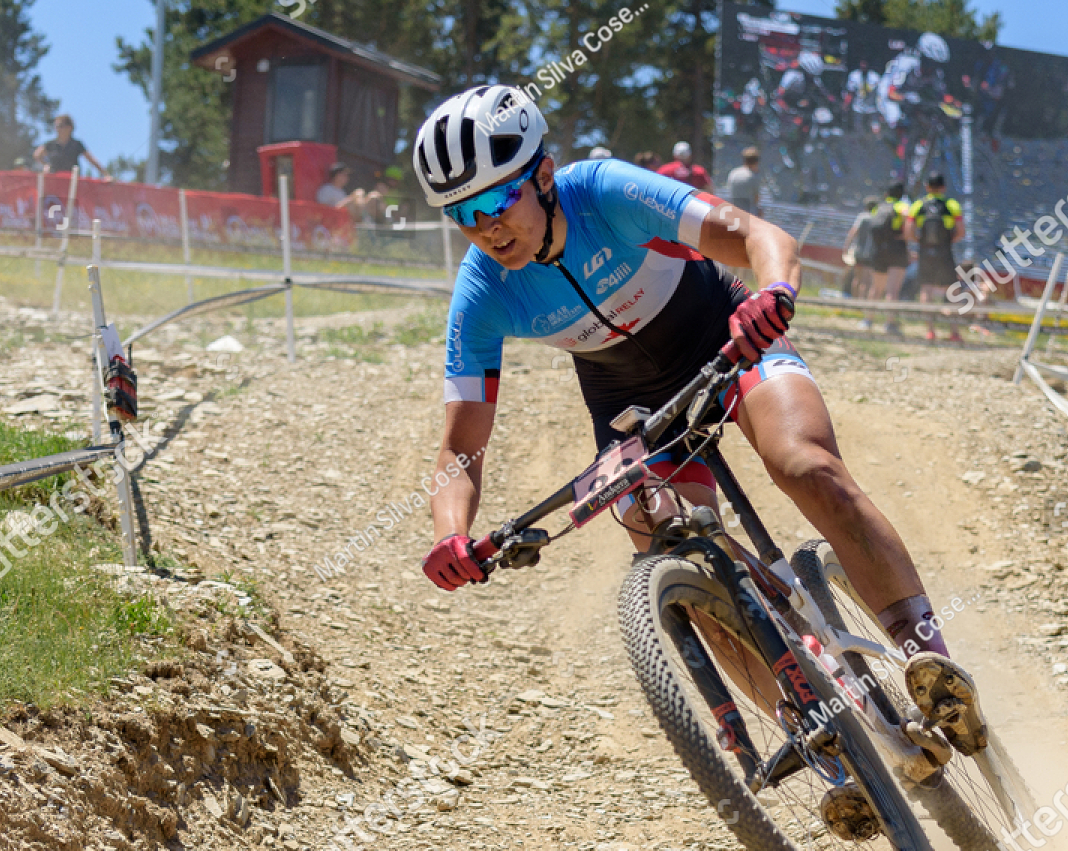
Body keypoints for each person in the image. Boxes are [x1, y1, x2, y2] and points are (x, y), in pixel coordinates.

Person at [412, 84, 987, 761]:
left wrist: (774, 293)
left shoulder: (603, 190)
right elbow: (461, 448)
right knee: (677, 563)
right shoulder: (482, 288)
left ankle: (934, 665)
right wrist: (451, 534)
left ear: (542, 174)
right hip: (630, 409)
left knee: (805, 466)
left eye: (492, 202)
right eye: (462, 214)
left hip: (727, 338)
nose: (483, 228)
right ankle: (825, 747)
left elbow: (758, 236)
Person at [906, 172, 964, 342]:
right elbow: (961, 232)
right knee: (953, 289)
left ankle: (930, 331)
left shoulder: (918, 205)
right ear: (943, 187)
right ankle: (954, 331)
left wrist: (921, 242)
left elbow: (909, 232)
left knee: (927, 289)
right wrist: (947, 243)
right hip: (944, 252)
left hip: (925, 252)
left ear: (927, 187)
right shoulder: (952, 205)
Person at [864, 182, 910, 334]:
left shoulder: (879, 207)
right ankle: (890, 323)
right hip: (896, 249)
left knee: (876, 288)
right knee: (892, 290)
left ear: (887, 194)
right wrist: (906, 235)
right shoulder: (901, 206)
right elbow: (907, 219)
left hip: (878, 250)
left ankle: (868, 320)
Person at [33, 115, 109, 179]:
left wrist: (106, 174)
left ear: (69, 127)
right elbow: (37, 155)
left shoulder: (76, 144)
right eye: (56, 126)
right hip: (54, 182)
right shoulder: (50, 144)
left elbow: (92, 160)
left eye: (60, 126)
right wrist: (46, 165)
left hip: (73, 184)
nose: (57, 129)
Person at [842, 196, 879, 314]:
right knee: (867, 280)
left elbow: (853, 233)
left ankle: (854, 302)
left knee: (857, 278)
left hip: (858, 252)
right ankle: (862, 304)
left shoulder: (862, 217)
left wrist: (846, 248)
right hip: (870, 253)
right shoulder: (876, 218)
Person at [316, 162, 382, 220]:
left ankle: (383, 221)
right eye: (343, 174)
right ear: (336, 175)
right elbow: (322, 208)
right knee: (359, 193)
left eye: (347, 175)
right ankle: (365, 219)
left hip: (347, 216)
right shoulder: (327, 189)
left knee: (374, 196)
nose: (346, 177)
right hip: (334, 216)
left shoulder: (342, 192)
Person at [725, 147, 761, 216]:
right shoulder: (753, 176)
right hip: (749, 214)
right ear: (757, 161)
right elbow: (756, 199)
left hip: (734, 212)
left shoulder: (734, 173)